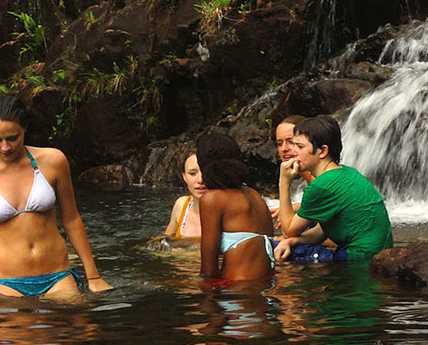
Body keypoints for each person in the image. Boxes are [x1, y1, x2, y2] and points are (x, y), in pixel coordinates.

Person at [0, 92, 112, 298]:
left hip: (57, 276)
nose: (5, 147)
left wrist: (93, 276)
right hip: (6, 282)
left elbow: (72, 219)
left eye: (13, 138)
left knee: (82, 326)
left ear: (25, 128)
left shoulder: (53, 161)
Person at [274, 115, 393, 262]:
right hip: (377, 256)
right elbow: (321, 231)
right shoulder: (347, 172)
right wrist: (292, 242)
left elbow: (288, 230)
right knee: (287, 245)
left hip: (357, 258)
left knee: (270, 247)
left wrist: (284, 182)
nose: (293, 152)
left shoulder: (322, 186)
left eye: (300, 146)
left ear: (323, 151)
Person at [196, 132, 275, 282]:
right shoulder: (255, 196)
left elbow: (208, 272)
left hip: (236, 295)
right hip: (265, 295)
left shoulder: (213, 199)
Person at [164, 150, 206, 239]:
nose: (200, 180)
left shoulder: (229, 211)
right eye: (192, 173)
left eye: (205, 172)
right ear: (184, 177)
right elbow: (164, 242)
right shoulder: (181, 205)